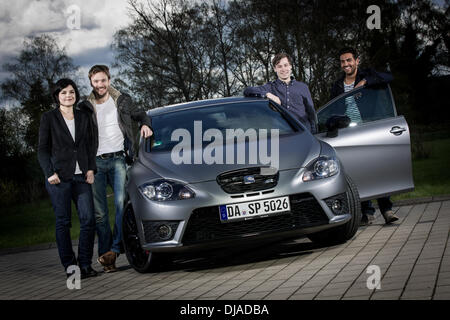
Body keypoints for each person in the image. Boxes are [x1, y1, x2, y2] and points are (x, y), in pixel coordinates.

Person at [78, 65, 153, 273]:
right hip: (95, 163)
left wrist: (145, 124)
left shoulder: (122, 100)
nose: (100, 85)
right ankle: (107, 258)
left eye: (103, 80)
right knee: (101, 214)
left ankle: (114, 248)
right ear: (91, 82)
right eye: (96, 81)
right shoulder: (84, 107)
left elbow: (141, 114)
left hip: (119, 159)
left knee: (121, 204)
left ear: (109, 80)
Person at [330, 47, 399, 225]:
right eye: (343, 61)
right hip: (349, 133)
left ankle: (387, 210)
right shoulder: (337, 85)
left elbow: (388, 77)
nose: (346, 64)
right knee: (358, 172)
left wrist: (365, 81)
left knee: (377, 169)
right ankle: (367, 212)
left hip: (369, 129)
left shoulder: (368, 75)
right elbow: (333, 109)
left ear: (357, 61)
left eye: (349, 60)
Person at [38, 78, 97, 279]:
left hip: (82, 176)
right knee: (63, 222)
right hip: (59, 178)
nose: (68, 95)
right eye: (63, 92)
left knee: (88, 220)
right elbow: (42, 150)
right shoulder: (49, 118)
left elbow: (89, 145)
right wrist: (49, 173)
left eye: (71, 92)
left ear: (76, 94)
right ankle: (71, 267)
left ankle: (86, 264)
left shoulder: (83, 116)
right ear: (57, 96)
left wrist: (91, 169)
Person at [244, 52, 317, 133]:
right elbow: (248, 90)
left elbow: (311, 112)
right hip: (283, 133)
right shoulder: (271, 87)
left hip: (304, 131)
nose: (283, 69)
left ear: (291, 66)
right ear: (275, 69)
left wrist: (313, 132)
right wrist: (268, 94)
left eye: (286, 65)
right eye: (279, 66)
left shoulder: (303, 87)